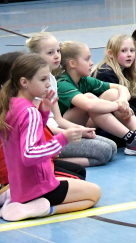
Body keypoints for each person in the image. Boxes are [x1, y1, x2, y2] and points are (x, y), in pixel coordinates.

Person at [0, 54, 101, 221]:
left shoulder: (10, 103)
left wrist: (43, 113)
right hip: (36, 187)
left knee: (76, 176)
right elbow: (29, 154)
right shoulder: (29, 111)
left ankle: (14, 197)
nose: (48, 83)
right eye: (43, 79)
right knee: (94, 194)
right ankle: (36, 208)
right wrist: (63, 138)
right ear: (24, 82)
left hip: (22, 184)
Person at [57, 41, 136, 156]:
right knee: (90, 98)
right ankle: (132, 139)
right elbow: (89, 105)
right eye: (87, 59)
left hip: (85, 122)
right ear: (72, 63)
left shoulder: (83, 80)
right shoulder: (63, 83)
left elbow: (121, 88)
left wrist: (122, 100)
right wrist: (118, 106)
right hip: (63, 128)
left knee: (113, 93)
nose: (91, 63)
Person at [26, 32, 116, 167]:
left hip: (57, 130)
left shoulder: (51, 79)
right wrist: (67, 134)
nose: (56, 55)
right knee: (104, 152)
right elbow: (40, 127)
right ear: (35, 56)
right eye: (50, 53)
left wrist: (79, 129)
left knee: (112, 147)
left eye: (58, 51)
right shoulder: (34, 83)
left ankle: (52, 160)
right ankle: (49, 162)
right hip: (45, 137)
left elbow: (58, 119)